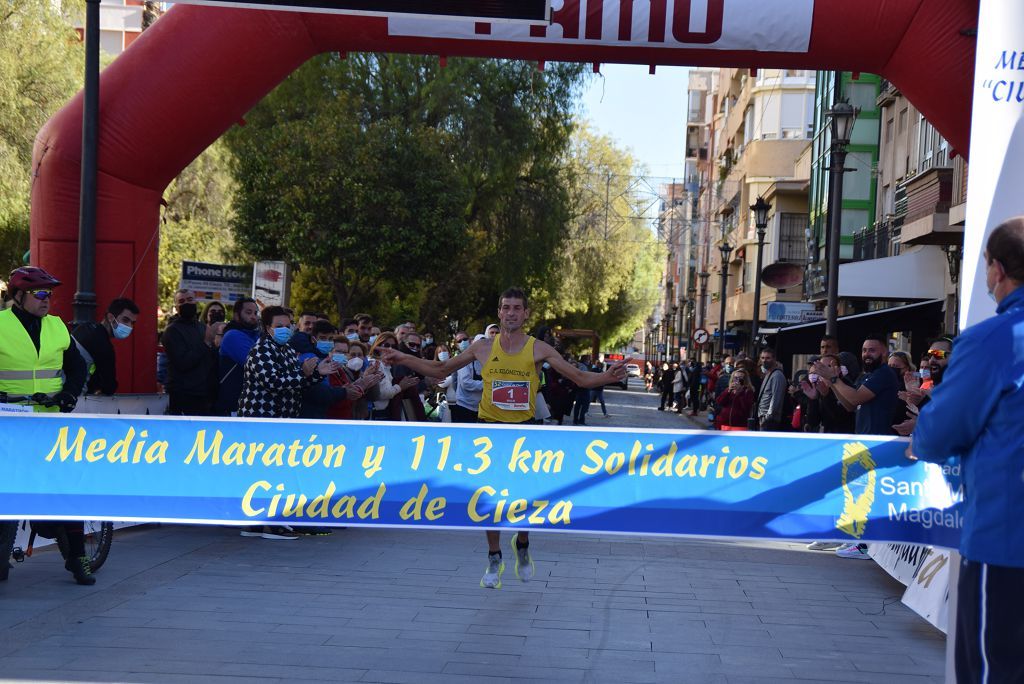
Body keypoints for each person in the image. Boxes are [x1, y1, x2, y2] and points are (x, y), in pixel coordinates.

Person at [381, 287, 628, 589]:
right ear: (499, 312)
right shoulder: (483, 347)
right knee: (490, 499)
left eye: (517, 308)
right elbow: (441, 368)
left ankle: (522, 545)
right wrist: (403, 356)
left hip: (524, 432)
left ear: (525, 314)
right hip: (490, 431)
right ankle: (494, 556)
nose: (511, 313)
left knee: (525, 499)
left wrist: (607, 377)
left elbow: (578, 378)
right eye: (506, 308)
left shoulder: (539, 349)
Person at [909, 218, 1024, 683]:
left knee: (993, 670)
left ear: (996, 271)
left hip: (1006, 542)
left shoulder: (992, 340)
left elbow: (940, 433)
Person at [0, 266, 91, 584]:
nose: (46, 300)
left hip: (49, 421)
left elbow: (78, 367)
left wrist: (69, 394)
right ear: (19, 296)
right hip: (8, 422)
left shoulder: (57, 327)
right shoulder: (0, 325)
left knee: (65, 488)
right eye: (40, 294)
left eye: (49, 294)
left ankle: (78, 558)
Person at [236, 306, 339, 540]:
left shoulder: (286, 350)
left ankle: (256, 525)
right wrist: (305, 375)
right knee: (268, 474)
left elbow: (296, 383)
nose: (285, 329)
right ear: (267, 328)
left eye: (288, 325)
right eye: (279, 326)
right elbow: (274, 382)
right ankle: (273, 524)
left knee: (276, 472)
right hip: (263, 421)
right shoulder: (262, 350)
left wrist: (317, 374)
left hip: (284, 421)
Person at [814, 334, 899, 560]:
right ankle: (856, 538)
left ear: (884, 353)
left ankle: (864, 544)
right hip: (864, 439)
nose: (867, 354)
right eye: (864, 350)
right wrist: (832, 383)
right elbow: (849, 404)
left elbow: (856, 397)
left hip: (878, 441)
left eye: (872, 350)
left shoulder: (883, 375)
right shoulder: (867, 375)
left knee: (869, 494)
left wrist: (833, 379)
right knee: (858, 490)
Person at [72, 297, 139, 396]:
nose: (129, 326)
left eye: (132, 323)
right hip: (76, 398)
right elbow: (109, 387)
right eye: (125, 320)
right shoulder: (103, 346)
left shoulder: (84, 328)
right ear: (110, 317)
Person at [161, 293, 211, 415]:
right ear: (176, 307)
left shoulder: (202, 327)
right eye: (181, 301)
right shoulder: (172, 331)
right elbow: (182, 363)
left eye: (189, 300)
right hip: (182, 394)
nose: (186, 303)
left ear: (196, 302)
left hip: (203, 393)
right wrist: (206, 343)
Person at [754, 348, 788, 431]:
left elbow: (776, 398)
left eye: (768, 358)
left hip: (769, 420)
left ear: (774, 359)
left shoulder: (777, 375)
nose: (764, 360)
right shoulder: (767, 374)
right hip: (762, 417)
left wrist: (768, 417)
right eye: (762, 358)